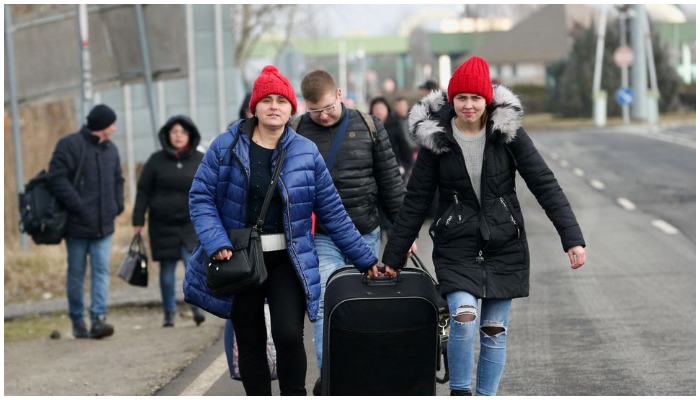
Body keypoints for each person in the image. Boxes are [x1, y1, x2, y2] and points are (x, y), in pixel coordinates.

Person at [382, 56, 587, 396]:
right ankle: (460, 392)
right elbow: (416, 199)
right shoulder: (437, 139)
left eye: (476, 98)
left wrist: (572, 238)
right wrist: (393, 255)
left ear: (487, 100)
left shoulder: (507, 134)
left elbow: (544, 183)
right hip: (456, 244)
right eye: (461, 98)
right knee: (464, 318)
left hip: (504, 243)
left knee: (494, 329)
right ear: (451, 99)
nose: (468, 105)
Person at [183, 65, 390, 396]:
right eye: (267, 100)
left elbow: (333, 212)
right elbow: (201, 198)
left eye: (281, 99)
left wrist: (366, 261)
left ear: (292, 107)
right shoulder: (226, 146)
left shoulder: (305, 152)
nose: (274, 106)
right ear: (255, 107)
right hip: (242, 260)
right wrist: (216, 242)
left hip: (288, 261)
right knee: (249, 340)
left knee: (289, 335)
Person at [294, 70, 409, 393]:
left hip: (366, 232)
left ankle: (364, 377)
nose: (324, 115)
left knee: (364, 307)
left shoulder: (370, 126)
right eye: (315, 111)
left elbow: (391, 184)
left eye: (328, 107)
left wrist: (404, 235)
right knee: (324, 305)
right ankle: (331, 380)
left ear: (340, 93)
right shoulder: (297, 131)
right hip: (320, 237)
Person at [48, 104, 125, 339]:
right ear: (102, 126)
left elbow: (118, 179)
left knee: (101, 271)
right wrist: (79, 206)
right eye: (111, 123)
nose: (114, 128)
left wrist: (117, 205)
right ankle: (78, 320)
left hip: (104, 225)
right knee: (77, 274)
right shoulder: (70, 145)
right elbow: (57, 178)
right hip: (77, 226)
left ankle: (98, 319)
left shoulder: (111, 149)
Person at [132, 115, 206, 327]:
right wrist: (138, 220)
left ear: (190, 135)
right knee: (167, 270)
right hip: (162, 224)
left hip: (190, 223)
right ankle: (168, 312)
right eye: (174, 132)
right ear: (167, 135)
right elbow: (143, 191)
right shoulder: (155, 161)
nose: (178, 136)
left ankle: (197, 308)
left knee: (192, 265)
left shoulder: (200, 159)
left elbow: (211, 189)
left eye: (182, 132)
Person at [369, 96, 414, 176]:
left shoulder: (395, 124)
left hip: (395, 167)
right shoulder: (368, 127)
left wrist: (408, 165)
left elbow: (404, 146)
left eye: (381, 109)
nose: (379, 112)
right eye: (376, 109)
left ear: (387, 109)